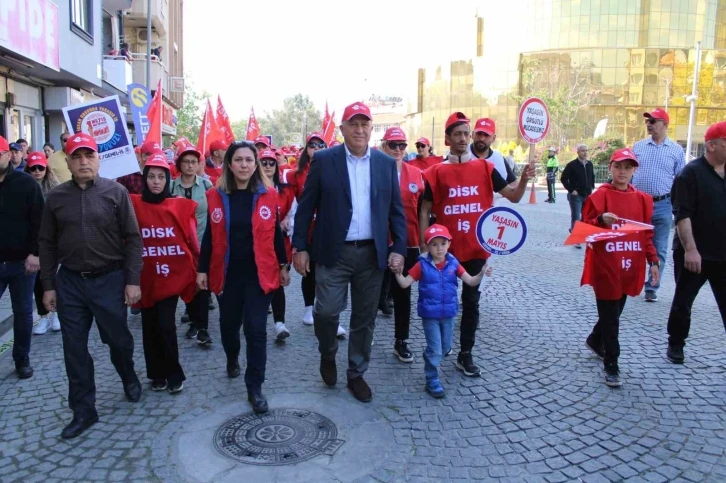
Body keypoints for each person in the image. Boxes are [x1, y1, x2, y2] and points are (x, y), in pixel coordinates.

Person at [293, 101, 407, 403]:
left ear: (371, 129)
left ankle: (356, 373)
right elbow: (306, 207)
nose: (359, 129)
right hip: (333, 251)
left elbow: (397, 211)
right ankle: (328, 353)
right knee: (327, 311)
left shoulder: (384, 164)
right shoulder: (325, 160)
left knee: (364, 318)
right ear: (342, 129)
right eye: (352, 124)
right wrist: (299, 247)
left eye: (364, 124)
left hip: (372, 255)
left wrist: (398, 248)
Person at [39, 133, 143, 439]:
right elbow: (46, 244)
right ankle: (84, 411)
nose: (84, 161)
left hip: (109, 280)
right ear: (68, 162)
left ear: (98, 159)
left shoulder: (116, 192)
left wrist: (132, 280)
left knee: (118, 340)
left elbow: (133, 239)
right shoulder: (55, 199)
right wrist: (48, 285)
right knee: (74, 349)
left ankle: (128, 374)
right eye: (77, 156)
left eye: (89, 155)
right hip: (70, 282)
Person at [419, 111, 535, 377]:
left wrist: (526, 179)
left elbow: (514, 197)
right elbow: (425, 209)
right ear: (447, 138)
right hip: (443, 250)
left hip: (476, 248)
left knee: (471, 301)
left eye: (466, 134)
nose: (463, 139)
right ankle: (442, 344)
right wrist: (424, 246)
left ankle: (466, 353)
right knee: (441, 299)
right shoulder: (435, 172)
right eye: (457, 134)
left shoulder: (486, 168)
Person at [197, 141, 291, 414]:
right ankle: (231, 357)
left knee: (256, 330)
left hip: (259, 276)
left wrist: (283, 265)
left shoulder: (269, 195)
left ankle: (255, 387)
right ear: (229, 164)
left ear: (256, 164)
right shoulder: (215, 195)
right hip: (226, 276)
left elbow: (274, 234)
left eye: (249, 160)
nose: (244, 165)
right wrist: (202, 269)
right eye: (238, 160)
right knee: (229, 327)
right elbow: (209, 236)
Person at [581, 148, 659, 387]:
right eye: (618, 167)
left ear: (634, 170)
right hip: (606, 265)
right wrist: (599, 221)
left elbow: (645, 235)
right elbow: (584, 230)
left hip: (629, 265)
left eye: (628, 167)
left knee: (615, 312)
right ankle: (612, 364)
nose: (623, 172)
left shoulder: (642, 199)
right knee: (612, 318)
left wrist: (653, 261)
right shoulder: (599, 196)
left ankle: (595, 339)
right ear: (611, 168)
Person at [394, 224, 490, 397]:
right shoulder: (421, 265)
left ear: (449, 244)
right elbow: (404, 283)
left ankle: (430, 354)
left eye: (443, 243)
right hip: (430, 316)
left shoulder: (454, 264)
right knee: (437, 349)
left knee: (445, 348)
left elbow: (471, 281)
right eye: (434, 244)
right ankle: (432, 380)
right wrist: (397, 273)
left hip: (448, 315)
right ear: (427, 246)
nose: (439, 248)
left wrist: (482, 273)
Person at [132, 153, 199, 394]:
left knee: (166, 326)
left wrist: (198, 266)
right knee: (149, 327)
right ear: (144, 178)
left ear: (168, 179)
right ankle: (156, 374)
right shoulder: (133, 204)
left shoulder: (178, 205)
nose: (156, 182)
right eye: (151, 177)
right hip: (145, 278)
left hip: (170, 278)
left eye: (161, 177)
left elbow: (191, 239)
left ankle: (174, 373)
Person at [666, 121, 726, 364]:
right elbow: (683, 214)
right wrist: (691, 250)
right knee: (683, 301)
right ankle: (676, 344)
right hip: (694, 254)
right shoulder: (690, 174)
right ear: (711, 145)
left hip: (723, 254)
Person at [0, 136, 44, 379]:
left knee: (24, 312)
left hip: (22, 263)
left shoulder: (26, 183)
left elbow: (39, 220)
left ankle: (21, 358)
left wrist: (35, 253)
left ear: (9, 155)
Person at [632, 108, 686, 303]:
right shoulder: (638, 147)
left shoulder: (676, 151)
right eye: (648, 121)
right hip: (638, 204)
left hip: (663, 204)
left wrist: (677, 206)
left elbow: (681, 181)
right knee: (634, 245)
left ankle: (652, 287)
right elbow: (628, 173)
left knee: (660, 248)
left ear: (665, 125)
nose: (649, 124)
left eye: (653, 121)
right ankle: (632, 282)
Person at [379, 127, 423, 363]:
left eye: (402, 145)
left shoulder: (416, 174)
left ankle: (401, 341)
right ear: (384, 145)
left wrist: (425, 242)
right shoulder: (374, 170)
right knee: (370, 290)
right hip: (376, 240)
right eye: (393, 145)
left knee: (403, 292)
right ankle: (365, 335)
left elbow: (424, 210)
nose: (397, 149)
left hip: (408, 241)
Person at [169, 140, 215, 344]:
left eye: (193, 162)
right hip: (179, 245)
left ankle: (202, 326)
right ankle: (194, 319)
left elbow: (214, 213)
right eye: (185, 161)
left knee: (202, 284)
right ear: (179, 164)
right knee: (186, 284)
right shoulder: (170, 186)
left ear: (198, 165)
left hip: (203, 242)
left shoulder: (206, 185)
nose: (189, 165)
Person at [282, 132, 327, 327]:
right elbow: (288, 201)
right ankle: (309, 308)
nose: (316, 148)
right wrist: (285, 217)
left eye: (320, 145)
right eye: (312, 145)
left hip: (327, 226)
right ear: (306, 149)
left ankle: (326, 310)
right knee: (308, 269)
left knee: (327, 270)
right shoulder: (295, 174)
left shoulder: (334, 168)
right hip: (307, 226)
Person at [258, 149, 296, 341]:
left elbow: (295, 210)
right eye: (263, 162)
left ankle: (279, 323)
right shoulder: (252, 190)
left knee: (278, 282)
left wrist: (287, 218)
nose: (267, 166)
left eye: (271, 163)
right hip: (259, 246)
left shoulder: (286, 190)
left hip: (281, 245)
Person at [24, 152, 60, 335]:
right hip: (31, 242)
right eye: (33, 168)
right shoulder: (23, 187)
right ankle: (44, 315)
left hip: (52, 240)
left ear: (47, 168)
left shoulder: (55, 188)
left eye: (41, 167)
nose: (37, 171)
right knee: (38, 281)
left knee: (53, 276)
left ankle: (56, 313)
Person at [560, 144, 595, 249]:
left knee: (585, 216)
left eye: (586, 150)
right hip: (576, 195)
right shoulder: (572, 165)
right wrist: (571, 190)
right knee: (576, 216)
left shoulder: (589, 164)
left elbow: (592, 177)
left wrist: (592, 187)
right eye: (582, 151)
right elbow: (563, 178)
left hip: (587, 194)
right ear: (578, 152)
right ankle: (576, 239)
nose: (585, 152)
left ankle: (575, 231)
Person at [470, 118, 517, 184]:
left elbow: (513, 185)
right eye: (479, 133)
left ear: (493, 138)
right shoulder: (461, 154)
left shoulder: (499, 158)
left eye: (486, 135)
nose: (482, 138)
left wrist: (524, 179)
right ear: (473, 135)